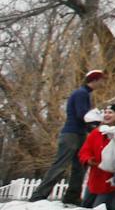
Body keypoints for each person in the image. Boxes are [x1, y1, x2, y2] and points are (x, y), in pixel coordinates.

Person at [31, 68, 105, 203]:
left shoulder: (84, 94)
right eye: (101, 81)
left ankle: (72, 196)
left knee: (80, 165)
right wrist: (97, 122)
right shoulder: (81, 94)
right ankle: (39, 196)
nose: (102, 84)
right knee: (60, 165)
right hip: (72, 134)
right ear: (94, 80)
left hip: (78, 133)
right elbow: (82, 115)